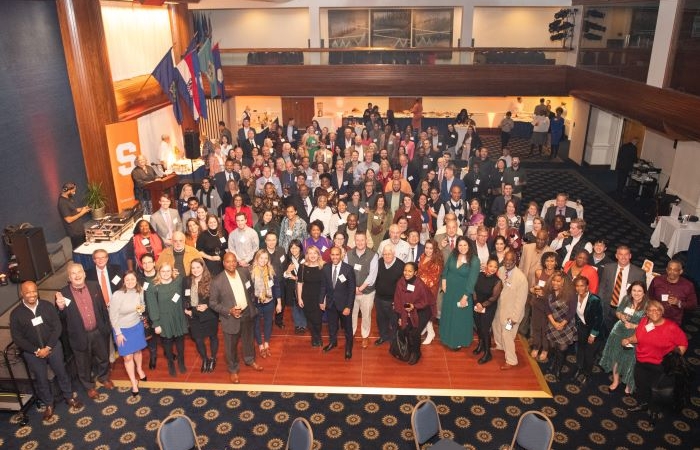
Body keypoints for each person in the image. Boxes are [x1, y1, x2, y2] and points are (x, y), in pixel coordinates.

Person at [10, 281, 83, 421]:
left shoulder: (47, 306)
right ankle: (49, 404)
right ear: (22, 294)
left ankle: (69, 397)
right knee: (41, 379)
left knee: (62, 372)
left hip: (53, 347)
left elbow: (57, 327)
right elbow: (17, 338)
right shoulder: (16, 314)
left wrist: (48, 347)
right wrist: (36, 350)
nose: (32, 295)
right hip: (33, 354)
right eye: (28, 292)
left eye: (34, 291)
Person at [622, 300, 688, 421]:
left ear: (662, 311)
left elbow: (683, 343)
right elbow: (638, 337)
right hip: (642, 361)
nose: (654, 312)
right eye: (650, 310)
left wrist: (674, 360)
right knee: (642, 385)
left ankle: (655, 411)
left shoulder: (671, 327)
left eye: (657, 309)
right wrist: (628, 340)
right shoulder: (644, 322)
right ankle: (643, 404)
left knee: (657, 391)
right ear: (646, 312)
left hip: (661, 365)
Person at [55, 263, 113, 399]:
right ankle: (89, 386)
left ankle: (104, 378)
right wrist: (60, 307)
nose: (77, 275)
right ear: (69, 277)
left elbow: (103, 308)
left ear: (84, 273)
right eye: (73, 273)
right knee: (83, 364)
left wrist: (106, 327)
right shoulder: (63, 294)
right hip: (79, 335)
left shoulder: (94, 286)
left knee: (103, 357)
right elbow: (61, 318)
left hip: (98, 331)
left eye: (79, 272)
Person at [209, 252, 264, 384]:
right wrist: (229, 311)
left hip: (246, 313)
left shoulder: (244, 273)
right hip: (230, 317)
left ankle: (250, 359)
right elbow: (212, 303)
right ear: (223, 263)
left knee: (248, 339)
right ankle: (233, 370)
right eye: (228, 261)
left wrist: (251, 305)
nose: (232, 264)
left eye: (234, 261)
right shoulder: (217, 281)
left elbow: (249, 289)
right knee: (230, 346)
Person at [599, 281, 649, 395]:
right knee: (616, 357)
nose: (636, 293)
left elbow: (650, 325)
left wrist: (634, 326)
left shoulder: (648, 305)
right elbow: (618, 311)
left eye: (639, 291)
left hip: (635, 335)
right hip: (618, 331)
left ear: (644, 292)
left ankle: (628, 384)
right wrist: (621, 316)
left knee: (630, 360)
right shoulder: (626, 299)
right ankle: (616, 381)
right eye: (634, 290)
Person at [109, 271, 148, 396]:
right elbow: (113, 316)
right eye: (127, 280)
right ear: (124, 281)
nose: (130, 282)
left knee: (137, 351)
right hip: (121, 330)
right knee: (127, 357)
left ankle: (139, 369)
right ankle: (133, 382)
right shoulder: (117, 295)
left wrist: (142, 309)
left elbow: (142, 305)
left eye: (132, 279)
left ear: (136, 280)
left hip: (136, 326)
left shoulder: (140, 291)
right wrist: (118, 333)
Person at [145, 262, 187, 377]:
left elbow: (183, 277)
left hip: (178, 316)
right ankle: (170, 364)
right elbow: (152, 306)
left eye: (168, 271)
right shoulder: (153, 287)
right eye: (163, 271)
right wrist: (156, 323)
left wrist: (177, 273)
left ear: (172, 271)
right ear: (159, 272)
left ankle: (181, 362)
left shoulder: (177, 281)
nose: (166, 273)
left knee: (180, 341)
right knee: (167, 344)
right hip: (164, 319)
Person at [440, 236, 479, 351]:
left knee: (459, 318)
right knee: (449, 314)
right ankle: (446, 337)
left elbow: (472, 281)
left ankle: (458, 340)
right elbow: (446, 269)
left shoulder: (474, 260)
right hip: (449, 291)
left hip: (462, 293)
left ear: (469, 246)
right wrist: (443, 281)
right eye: (460, 245)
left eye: (465, 245)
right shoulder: (453, 254)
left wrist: (465, 297)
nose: (462, 248)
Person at [492, 250, 529, 370]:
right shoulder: (501, 270)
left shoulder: (521, 278)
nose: (507, 263)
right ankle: (499, 346)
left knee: (507, 335)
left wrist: (514, 318)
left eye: (510, 260)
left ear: (516, 261)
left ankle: (512, 360)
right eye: (506, 260)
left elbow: (521, 301)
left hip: (512, 315)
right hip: (500, 308)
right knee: (496, 327)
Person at [598, 245, 646, 333]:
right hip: (608, 307)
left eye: (626, 254)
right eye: (620, 254)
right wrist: (600, 303)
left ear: (630, 256)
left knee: (622, 332)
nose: (623, 257)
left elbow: (643, 294)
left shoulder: (639, 273)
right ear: (616, 256)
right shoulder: (608, 268)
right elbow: (602, 286)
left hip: (626, 310)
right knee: (607, 330)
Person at [320, 247, 356, 359]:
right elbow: (323, 286)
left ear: (341, 255)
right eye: (333, 255)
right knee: (332, 326)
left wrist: (348, 307)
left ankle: (349, 347)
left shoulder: (348, 269)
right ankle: (333, 342)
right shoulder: (325, 268)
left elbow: (352, 290)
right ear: (330, 255)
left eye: (337, 255)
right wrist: (321, 300)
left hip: (344, 305)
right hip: (331, 304)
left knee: (348, 328)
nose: (335, 257)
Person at [393, 262, 432, 365]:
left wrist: (414, 306)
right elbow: (397, 301)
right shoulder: (400, 283)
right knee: (405, 328)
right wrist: (400, 316)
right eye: (405, 270)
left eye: (410, 271)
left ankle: (416, 353)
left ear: (415, 272)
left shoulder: (420, 284)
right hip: (406, 310)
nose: (407, 273)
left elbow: (425, 301)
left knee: (415, 332)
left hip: (421, 311)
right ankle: (409, 350)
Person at [184, 259, 219, 373]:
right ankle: (205, 359)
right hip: (193, 315)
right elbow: (184, 297)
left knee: (212, 337)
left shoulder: (212, 280)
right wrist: (185, 308)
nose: (195, 270)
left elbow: (218, 298)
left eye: (198, 267)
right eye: (193, 268)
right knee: (198, 340)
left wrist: (207, 306)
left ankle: (213, 358)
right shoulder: (187, 280)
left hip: (209, 314)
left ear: (203, 267)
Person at [345, 233, 378, 349]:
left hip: (367, 292)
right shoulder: (348, 254)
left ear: (366, 240)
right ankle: (352, 334)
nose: (360, 242)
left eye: (362, 240)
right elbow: (345, 272)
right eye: (357, 240)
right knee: (352, 315)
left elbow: (372, 275)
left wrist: (360, 288)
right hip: (351, 292)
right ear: (354, 240)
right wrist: (353, 288)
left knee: (366, 315)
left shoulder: (373, 255)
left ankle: (365, 336)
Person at [544, 271, 577, 380]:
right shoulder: (549, 292)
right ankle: (553, 363)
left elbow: (572, 312)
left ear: (564, 282)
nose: (555, 283)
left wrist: (562, 324)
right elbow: (547, 309)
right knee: (553, 346)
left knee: (562, 348)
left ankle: (558, 369)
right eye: (553, 280)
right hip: (552, 322)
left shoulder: (571, 294)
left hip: (565, 325)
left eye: (558, 281)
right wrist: (553, 323)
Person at [572, 275, 603, 386]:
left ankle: (587, 374)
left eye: (582, 286)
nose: (579, 288)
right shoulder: (575, 296)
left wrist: (593, 334)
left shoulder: (594, 300)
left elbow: (599, 319)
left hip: (594, 331)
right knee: (580, 350)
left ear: (587, 286)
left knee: (589, 354)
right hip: (582, 328)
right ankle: (580, 369)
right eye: (577, 286)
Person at [250, 249, 281, 359]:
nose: (263, 260)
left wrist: (279, 303)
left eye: (266, 258)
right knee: (256, 324)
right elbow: (248, 290)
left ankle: (266, 343)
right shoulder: (251, 272)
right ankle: (260, 345)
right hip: (256, 303)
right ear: (256, 258)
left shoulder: (271, 271)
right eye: (261, 258)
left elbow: (276, 287)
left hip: (269, 302)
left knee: (268, 322)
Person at [529, 251, 560, 362]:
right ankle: (536, 346)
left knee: (546, 329)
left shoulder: (558, 275)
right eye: (547, 260)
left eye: (552, 261)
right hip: (537, 303)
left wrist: (545, 294)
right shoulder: (538, 272)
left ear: (556, 262)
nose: (549, 263)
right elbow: (534, 287)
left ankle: (545, 350)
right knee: (536, 327)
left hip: (550, 306)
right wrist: (532, 289)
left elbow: (559, 293)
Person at [648, 260, 697, 326]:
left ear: (680, 271)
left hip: (674, 320)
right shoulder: (657, 280)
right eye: (670, 269)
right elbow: (649, 296)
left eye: (675, 270)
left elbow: (693, 305)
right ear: (666, 269)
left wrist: (678, 303)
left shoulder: (688, 285)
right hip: (655, 316)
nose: (672, 272)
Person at [472, 257, 503, 364]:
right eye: (491, 266)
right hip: (477, 305)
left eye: (495, 267)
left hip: (488, 308)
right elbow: (474, 289)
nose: (493, 268)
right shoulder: (480, 275)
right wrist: (476, 302)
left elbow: (494, 297)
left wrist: (483, 305)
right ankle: (480, 344)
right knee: (478, 327)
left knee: (485, 330)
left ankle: (487, 353)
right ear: (487, 266)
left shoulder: (497, 281)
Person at [374, 244, 405, 346]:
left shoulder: (401, 266)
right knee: (381, 319)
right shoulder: (378, 263)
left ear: (394, 253)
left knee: (394, 321)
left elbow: (403, 286)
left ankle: (394, 340)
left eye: (389, 254)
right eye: (385, 254)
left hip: (393, 300)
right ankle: (383, 336)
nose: (387, 256)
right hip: (379, 298)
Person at [296, 246, 325, 347]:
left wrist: (324, 299)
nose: (312, 255)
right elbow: (299, 283)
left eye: (315, 253)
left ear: (318, 254)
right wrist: (299, 298)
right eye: (310, 253)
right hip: (306, 297)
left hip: (319, 298)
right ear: (307, 255)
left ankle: (318, 336)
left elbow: (326, 285)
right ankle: (314, 337)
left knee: (317, 319)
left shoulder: (324, 266)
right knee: (309, 319)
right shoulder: (303, 267)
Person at [417, 239, 443, 345]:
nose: (428, 250)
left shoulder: (436, 261)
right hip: (420, 288)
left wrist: (418, 281)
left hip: (429, 289)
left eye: (430, 248)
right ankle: (424, 328)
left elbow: (433, 278)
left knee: (427, 310)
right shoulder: (423, 256)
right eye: (426, 247)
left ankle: (431, 332)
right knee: (421, 310)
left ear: (435, 249)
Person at [57, 181, 90, 248]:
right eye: (73, 191)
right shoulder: (62, 203)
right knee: (78, 249)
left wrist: (82, 209)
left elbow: (73, 210)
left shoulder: (68, 199)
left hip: (79, 229)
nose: (74, 193)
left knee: (84, 247)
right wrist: (82, 213)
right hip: (74, 232)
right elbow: (68, 220)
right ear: (67, 190)